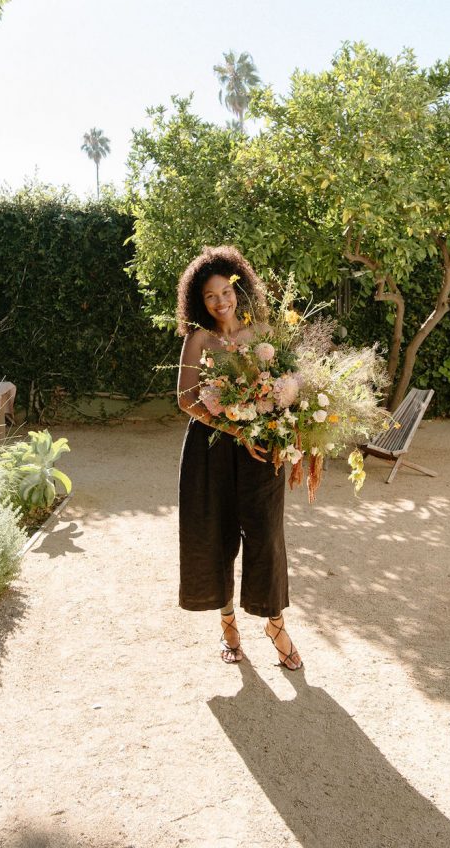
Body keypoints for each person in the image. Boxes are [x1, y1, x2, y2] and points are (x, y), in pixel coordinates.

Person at [176, 245, 302, 670]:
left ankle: (275, 622)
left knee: (267, 537)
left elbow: (289, 384)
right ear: (200, 301)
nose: (220, 302)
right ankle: (227, 621)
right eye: (209, 296)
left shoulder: (263, 332)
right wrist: (235, 428)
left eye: (225, 292)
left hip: (262, 450)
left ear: (239, 288)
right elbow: (185, 400)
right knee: (214, 536)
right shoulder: (199, 339)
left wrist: (282, 426)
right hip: (209, 451)